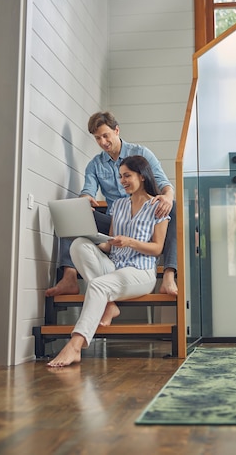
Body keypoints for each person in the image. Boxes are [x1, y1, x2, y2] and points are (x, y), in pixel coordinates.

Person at [47, 155, 170, 367]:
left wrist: (130, 242)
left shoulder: (157, 206)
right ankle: (110, 304)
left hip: (140, 272)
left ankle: (75, 345)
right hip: (114, 265)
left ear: (141, 176)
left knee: (97, 284)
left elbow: (157, 248)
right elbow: (110, 244)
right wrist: (93, 240)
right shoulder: (119, 205)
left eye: (127, 175)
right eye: (120, 176)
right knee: (78, 244)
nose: (122, 180)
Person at [46, 111, 178, 297]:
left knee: (175, 206)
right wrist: (84, 200)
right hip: (115, 222)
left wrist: (166, 196)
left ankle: (169, 276)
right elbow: (87, 192)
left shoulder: (141, 153)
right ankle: (69, 277)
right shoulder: (95, 165)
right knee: (71, 213)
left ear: (117, 131)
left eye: (105, 135)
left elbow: (166, 185)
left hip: (146, 223)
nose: (102, 142)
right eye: (97, 138)